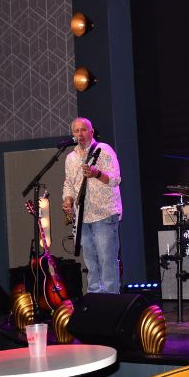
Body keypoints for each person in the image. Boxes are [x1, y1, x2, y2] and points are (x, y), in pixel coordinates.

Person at [62, 117, 123, 294]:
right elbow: (69, 183)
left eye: (83, 130)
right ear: (73, 134)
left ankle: (112, 306)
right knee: (90, 263)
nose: (80, 134)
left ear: (91, 131)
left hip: (104, 214)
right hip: (82, 217)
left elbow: (115, 179)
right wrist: (67, 199)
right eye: (76, 131)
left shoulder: (103, 150)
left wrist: (97, 173)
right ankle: (95, 304)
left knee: (107, 261)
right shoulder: (70, 158)